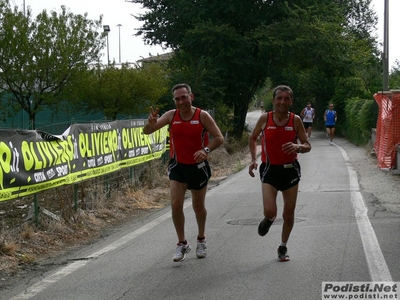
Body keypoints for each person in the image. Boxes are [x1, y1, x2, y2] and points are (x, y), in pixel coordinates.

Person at [143, 83, 224, 262]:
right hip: (178, 166)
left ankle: (201, 239)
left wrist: (206, 151)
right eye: (178, 99)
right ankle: (182, 243)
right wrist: (149, 124)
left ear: (191, 97)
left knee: (198, 207)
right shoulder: (171, 115)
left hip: (198, 167)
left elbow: (219, 138)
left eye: (184, 97)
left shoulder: (202, 115)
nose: (181, 101)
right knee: (176, 204)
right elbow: (147, 132)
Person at [248, 85, 311, 262]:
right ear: (274, 100)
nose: (282, 102)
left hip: (290, 169)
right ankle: (267, 220)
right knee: (270, 211)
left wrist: (298, 146)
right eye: (279, 98)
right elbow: (252, 138)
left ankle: (282, 247)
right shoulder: (265, 119)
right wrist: (254, 160)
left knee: (288, 215)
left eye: (286, 98)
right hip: (269, 169)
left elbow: (307, 145)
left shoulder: (296, 120)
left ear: (291, 101)